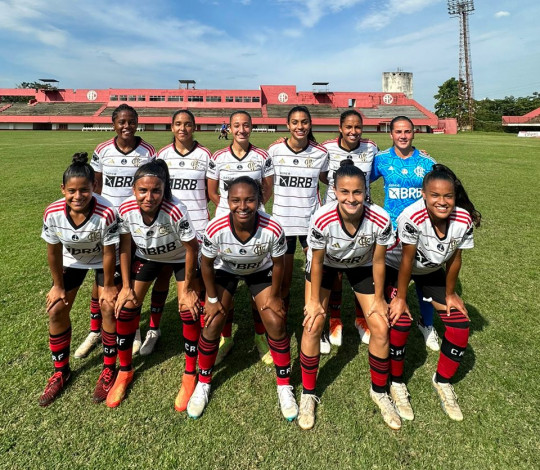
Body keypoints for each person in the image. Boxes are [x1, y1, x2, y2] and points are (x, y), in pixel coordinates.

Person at [186, 176, 297, 421]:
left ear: (259, 201)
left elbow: (279, 264)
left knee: (276, 321)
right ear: (227, 201)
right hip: (226, 270)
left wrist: (276, 296)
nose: (243, 206)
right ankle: (203, 382)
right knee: (213, 321)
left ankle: (284, 385)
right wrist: (212, 299)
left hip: (260, 270)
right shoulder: (216, 228)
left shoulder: (273, 227)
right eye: (236, 200)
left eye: (249, 200)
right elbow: (205, 265)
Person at [299, 160, 398, 430]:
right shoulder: (322, 217)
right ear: (335, 190)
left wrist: (378, 299)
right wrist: (313, 302)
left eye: (357, 192)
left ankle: (379, 391)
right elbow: (316, 262)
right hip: (326, 265)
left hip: (362, 265)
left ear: (366, 192)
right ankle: (308, 393)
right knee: (313, 324)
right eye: (345, 192)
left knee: (380, 325)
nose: (351, 198)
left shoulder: (380, 218)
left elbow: (379, 262)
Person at [385, 164, 481, 422]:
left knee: (460, 325)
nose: (442, 201)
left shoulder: (463, 219)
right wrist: (401, 298)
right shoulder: (411, 216)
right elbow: (406, 260)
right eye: (435, 196)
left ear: (454, 196)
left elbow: (455, 259)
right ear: (424, 195)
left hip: (429, 271)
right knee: (400, 322)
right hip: (396, 267)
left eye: (448, 196)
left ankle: (443, 381)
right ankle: (396, 382)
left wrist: (450, 293)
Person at [112, 160, 200, 408]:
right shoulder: (126, 209)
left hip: (181, 257)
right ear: (133, 189)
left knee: (188, 309)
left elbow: (192, 248)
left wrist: (188, 288)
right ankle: (125, 371)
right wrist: (126, 286)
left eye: (156, 191)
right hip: (148, 256)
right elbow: (126, 246)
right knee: (127, 306)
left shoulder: (175, 210)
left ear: (165, 190)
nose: (149, 196)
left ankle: (190, 373)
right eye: (143, 190)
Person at [76, 104, 158, 359]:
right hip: (108, 222)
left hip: (136, 221)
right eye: (121, 121)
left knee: (131, 274)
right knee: (102, 274)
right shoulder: (102, 150)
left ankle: (130, 325)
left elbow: (152, 185)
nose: (126, 126)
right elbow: (96, 186)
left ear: (137, 123)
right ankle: (95, 329)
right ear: (114, 123)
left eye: (131, 121)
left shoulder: (148, 151)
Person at [39, 153, 120, 406]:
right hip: (72, 260)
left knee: (108, 306)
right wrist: (58, 286)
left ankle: (109, 367)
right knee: (55, 310)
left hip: (104, 260)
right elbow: (52, 251)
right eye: (71, 190)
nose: (78, 196)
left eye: (84, 190)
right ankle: (61, 371)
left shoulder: (106, 211)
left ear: (94, 187)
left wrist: (107, 286)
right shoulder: (53, 212)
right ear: (63, 189)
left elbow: (108, 253)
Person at [207, 111, 275, 365]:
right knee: (227, 282)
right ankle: (226, 337)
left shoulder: (262, 156)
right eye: (236, 125)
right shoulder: (218, 157)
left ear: (251, 128)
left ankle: (260, 336)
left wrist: (251, 211)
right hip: (225, 229)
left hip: (256, 226)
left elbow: (267, 187)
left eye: (246, 125)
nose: (241, 130)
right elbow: (212, 191)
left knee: (257, 280)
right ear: (230, 128)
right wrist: (230, 211)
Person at [157, 109, 211, 410]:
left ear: (194, 126)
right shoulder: (162, 155)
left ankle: (197, 361)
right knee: (173, 288)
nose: (183, 128)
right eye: (178, 123)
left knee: (195, 293)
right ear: (172, 126)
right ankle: (151, 330)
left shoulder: (205, 155)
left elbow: (213, 191)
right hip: (168, 230)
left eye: (188, 124)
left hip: (199, 229)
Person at [372, 115, 439, 352]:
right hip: (392, 232)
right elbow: (360, 184)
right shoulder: (379, 159)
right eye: (398, 132)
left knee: (423, 278)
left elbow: (440, 189)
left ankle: (427, 324)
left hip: (422, 229)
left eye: (407, 131)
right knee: (390, 279)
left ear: (414, 133)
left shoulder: (427, 162)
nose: (403, 136)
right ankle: (390, 320)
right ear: (391, 134)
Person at [321, 110, 380, 348]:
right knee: (332, 270)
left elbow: (381, 167)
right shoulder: (326, 148)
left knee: (362, 266)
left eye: (358, 127)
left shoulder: (371, 147)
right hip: (332, 216)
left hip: (363, 216)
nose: (353, 131)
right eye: (348, 127)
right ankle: (334, 321)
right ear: (340, 127)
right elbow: (323, 175)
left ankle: (360, 319)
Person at [268, 105, 329, 320]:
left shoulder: (321, 153)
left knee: (316, 273)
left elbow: (327, 178)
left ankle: (315, 315)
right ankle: (281, 320)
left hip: (310, 223)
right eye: (295, 122)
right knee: (284, 279)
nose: (299, 126)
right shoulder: (274, 151)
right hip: (282, 223)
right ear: (287, 125)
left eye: (304, 122)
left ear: (310, 124)